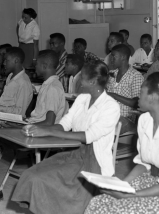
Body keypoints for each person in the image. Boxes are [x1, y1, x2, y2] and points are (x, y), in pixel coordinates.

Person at [10, 60, 121, 214]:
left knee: (63, 188)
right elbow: (64, 124)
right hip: (73, 152)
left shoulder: (111, 107)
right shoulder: (83, 98)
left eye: (82, 77)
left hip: (94, 160)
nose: (79, 80)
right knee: (33, 175)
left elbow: (88, 136)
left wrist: (49, 132)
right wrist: (38, 128)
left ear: (93, 81)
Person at [85, 72, 159, 214]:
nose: (138, 97)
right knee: (99, 202)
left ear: (152, 97)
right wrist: (122, 185)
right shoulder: (144, 120)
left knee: (126, 209)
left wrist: (130, 195)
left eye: (141, 92)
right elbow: (143, 163)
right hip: (150, 179)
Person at [0, 50, 67, 204]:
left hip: (39, 133)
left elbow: (50, 122)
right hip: (31, 126)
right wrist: (22, 121)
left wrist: (26, 126)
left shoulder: (53, 88)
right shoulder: (48, 84)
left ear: (44, 66)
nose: (33, 66)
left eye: (36, 63)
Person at [107, 45, 144, 134]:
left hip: (126, 118)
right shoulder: (111, 74)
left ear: (123, 57)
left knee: (102, 130)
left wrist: (113, 95)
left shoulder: (135, 76)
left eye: (113, 56)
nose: (111, 58)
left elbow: (136, 103)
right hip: (109, 115)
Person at [0, 47, 33, 118]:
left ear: (16, 61)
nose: (4, 63)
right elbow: (4, 101)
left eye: (6, 60)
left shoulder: (23, 82)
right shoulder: (10, 76)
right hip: (2, 112)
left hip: (11, 119)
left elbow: (20, 112)